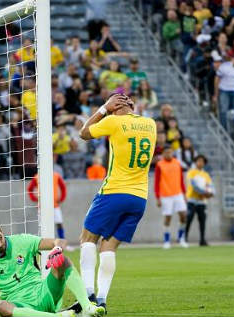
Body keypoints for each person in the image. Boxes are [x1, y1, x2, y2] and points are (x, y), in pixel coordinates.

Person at [76, 94, 156, 313]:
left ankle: (88, 295)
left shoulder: (113, 121)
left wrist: (103, 109)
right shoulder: (150, 124)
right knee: (108, 247)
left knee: (87, 239)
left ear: (113, 109)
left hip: (114, 192)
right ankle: (101, 300)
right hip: (139, 198)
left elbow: (83, 133)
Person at [0, 219, 104, 317]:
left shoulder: (23, 240)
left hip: (44, 293)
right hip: (21, 306)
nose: (0, 243)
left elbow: (58, 241)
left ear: (1, 231)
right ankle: (61, 316)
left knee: (63, 261)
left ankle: (87, 306)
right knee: (1, 306)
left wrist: (57, 249)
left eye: (0, 238)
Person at [154, 145, 188, 249]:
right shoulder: (159, 165)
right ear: (163, 154)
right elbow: (156, 182)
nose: (169, 154)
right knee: (168, 217)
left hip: (178, 193)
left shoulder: (177, 163)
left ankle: (181, 238)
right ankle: (166, 240)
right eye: (166, 152)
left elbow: (181, 180)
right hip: (165, 195)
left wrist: (184, 193)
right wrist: (158, 197)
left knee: (183, 215)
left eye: (170, 152)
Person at [28, 170, 68, 240]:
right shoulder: (37, 177)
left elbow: (63, 187)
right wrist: (35, 199)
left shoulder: (56, 176)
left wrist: (61, 198)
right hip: (42, 207)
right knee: (43, 225)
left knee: (59, 223)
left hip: (54, 206)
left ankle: (62, 241)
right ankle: (44, 242)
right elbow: (30, 189)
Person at [185, 155, 214, 246]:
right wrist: (204, 193)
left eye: (202, 161)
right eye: (198, 161)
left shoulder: (206, 175)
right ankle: (184, 238)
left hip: (202, 201)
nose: (200, 163)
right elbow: (194, 185)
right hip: (192, 199)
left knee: (202, 221)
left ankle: (202, 239)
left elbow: (211, 186)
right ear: (195, 162)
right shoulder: (191, 172)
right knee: (189, 218)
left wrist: (211, 193)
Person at [213, 53, 234, 129]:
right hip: (224, 90)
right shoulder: (224, 66)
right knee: (224, 110)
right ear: (232, 58)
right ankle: (223, 128)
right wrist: (216, 94)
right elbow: (217, 79)